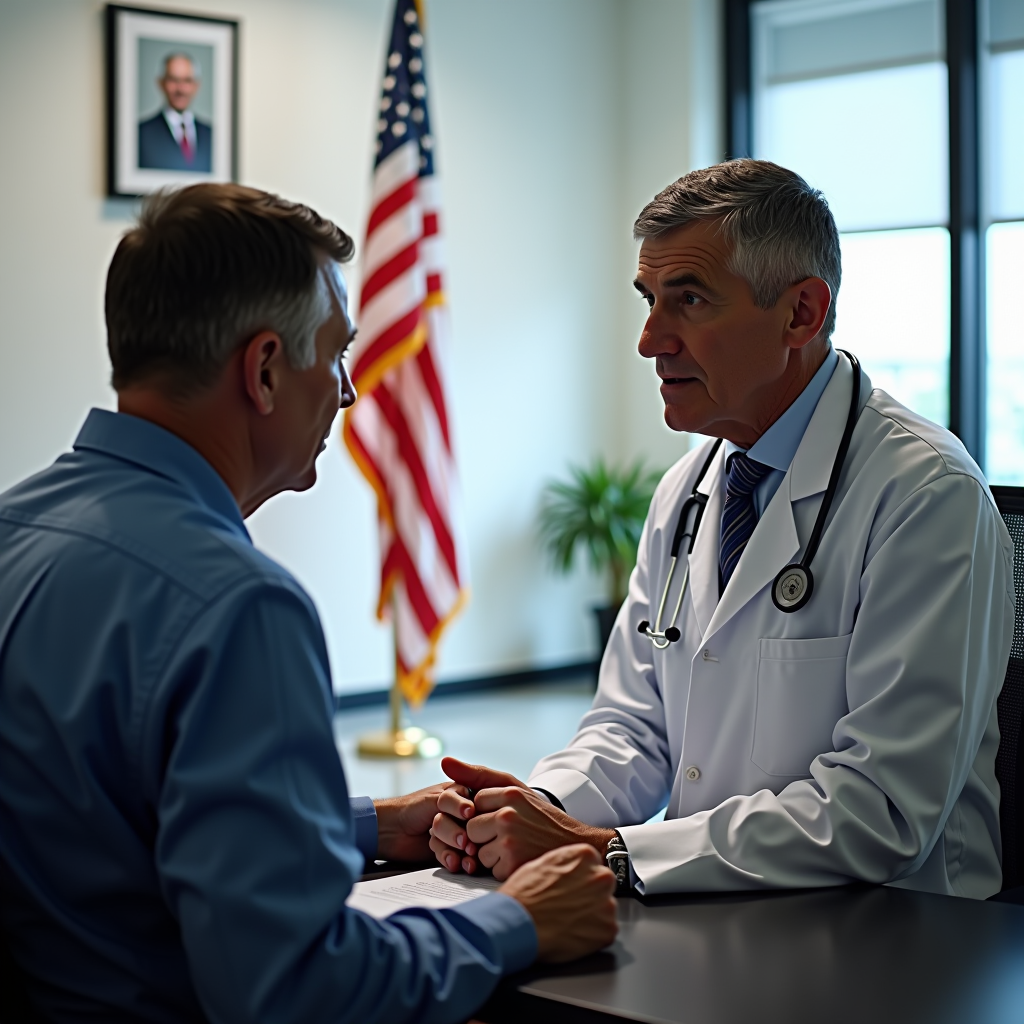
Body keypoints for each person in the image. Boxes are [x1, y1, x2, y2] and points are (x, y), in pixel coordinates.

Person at [0, 184, 617, 1023]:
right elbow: (295, 992)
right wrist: (518, 921)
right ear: (262, 371)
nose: (349, 393)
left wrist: (365, 824)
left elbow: (105, 821)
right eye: (335, 356)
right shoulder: (235, 606)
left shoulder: (17, 529)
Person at [428, 159, 1016, 901]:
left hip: (892, 938)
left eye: (691, 300)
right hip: (716, 909)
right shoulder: (691, 489)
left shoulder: (925, 494)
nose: (650, 340)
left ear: (800, 313)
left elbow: (882, 809)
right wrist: (538, 813)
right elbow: (632, 727)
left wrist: (612, 852)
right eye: (649, 300)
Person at [138, 53, 213, 172]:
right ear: (161, 83)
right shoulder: (140, 134)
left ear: (196, 85)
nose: (180, 89)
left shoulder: (213, 135)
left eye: (187, 81)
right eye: (173, 80)